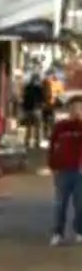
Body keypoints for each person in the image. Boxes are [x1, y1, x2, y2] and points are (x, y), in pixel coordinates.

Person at [48, 96, 82, 244]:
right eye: (74, 108)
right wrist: (52, 165)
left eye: (79, 108)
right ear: (69, 110)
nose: (76, 111)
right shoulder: (60, 127)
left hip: (80, 171)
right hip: (62, 170)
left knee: (80, 203)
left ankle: (79, 231)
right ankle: (57, 233)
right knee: (60, 203)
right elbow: (52, 146)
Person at [21, 68, 45, 149]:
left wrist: (24, 109)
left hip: (28, 109)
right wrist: (41, 106)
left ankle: (27, 142)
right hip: (36, 109)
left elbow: (24, 98)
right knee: (38, 127)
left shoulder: (27, 87)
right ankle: (38, 142)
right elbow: (42, 99)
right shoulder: (39, 88)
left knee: (29, 126)